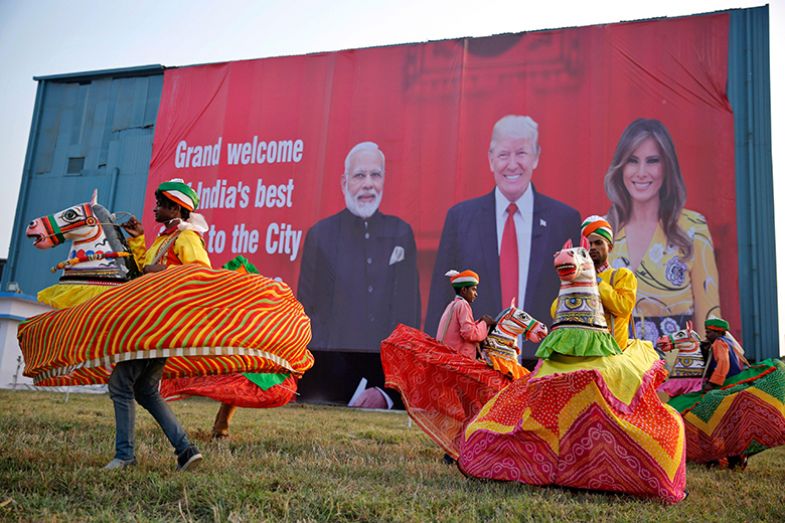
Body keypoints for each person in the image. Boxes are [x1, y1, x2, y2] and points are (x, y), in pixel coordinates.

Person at [425, 115, 581, 358]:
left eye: (521, 153)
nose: (512, 164)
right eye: (503, 154)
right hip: (478, 369)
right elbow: (439, 305)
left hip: (546, 365)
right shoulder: (460, 218)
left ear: (536, 156)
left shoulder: (565, 220)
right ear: (490, 158)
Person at [297, 141, 420, 403]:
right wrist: (352, 391)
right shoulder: (321, 235)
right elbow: (310, 317)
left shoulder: (401, 232)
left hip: (388, 386)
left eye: (375, 175)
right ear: (344, 183)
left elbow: (408, 320)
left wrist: (386, 393)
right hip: (332, 386)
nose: (368, 183)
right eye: (359, 175)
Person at [104, 178, 208, 470]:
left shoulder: (188, 237)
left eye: (160, 204)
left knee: (121, 383)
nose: (154, 208)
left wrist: (160, 270)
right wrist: (138, 239)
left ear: (176, 207)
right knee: (146, 390)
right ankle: (186, 450)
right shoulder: (166, 238)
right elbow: (141, 273)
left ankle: (125, 457)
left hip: (159, 326)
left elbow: (200, 276)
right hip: (156, 324)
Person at [604, 118, 721, 342]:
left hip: (678, 369)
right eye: (632, 161)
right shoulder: (601, 230)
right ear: (621, 167)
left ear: (667, 167)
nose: (641, 172)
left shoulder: (693, 228)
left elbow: (710, 318)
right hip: (616, 370)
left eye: (652, 161)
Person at [579, 215, 637, 349]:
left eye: (598, 243)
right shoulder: (578, 278)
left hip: (612, 353)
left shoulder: (622, 275)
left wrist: (595, 280)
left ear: (610, 247)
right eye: (589, 243)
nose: (592, 247)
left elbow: (623, 307)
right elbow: (556, 312)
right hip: (583, 352)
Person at [436, 269, 495, 359]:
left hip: (447, 355)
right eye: (473, 289)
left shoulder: (452, 304)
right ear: (464, 290)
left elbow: (463, 329)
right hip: (458, 360)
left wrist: (479, 322)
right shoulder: (463, 304)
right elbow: (469, 334)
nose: (476, 294)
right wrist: (484, 323)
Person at [702, 317, 749, 392]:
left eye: (708, 332)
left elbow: (723, 362)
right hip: (734, 380)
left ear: (718, 333)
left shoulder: (719, 342)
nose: (706, 335)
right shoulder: (728, 341)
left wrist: (712, 383)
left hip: (726, 382)